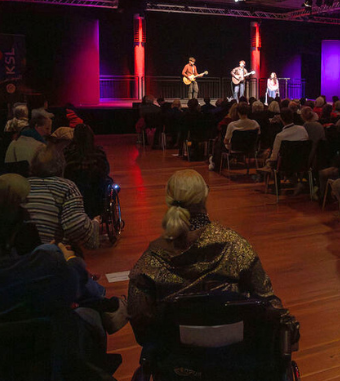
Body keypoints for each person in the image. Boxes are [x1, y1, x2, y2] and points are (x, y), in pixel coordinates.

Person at [128, 169, 283, 350]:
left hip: (178, 363)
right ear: (206, 194)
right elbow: (270, 303)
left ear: (168, 199)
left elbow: (142, 328)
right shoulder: (235, 246)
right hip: (233, 356)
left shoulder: (149, 262)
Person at [64, 124, 111, 218]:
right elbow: (106, 170)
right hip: (97, 194)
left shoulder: (68, 152)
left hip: (74, 193)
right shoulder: (98, 152)